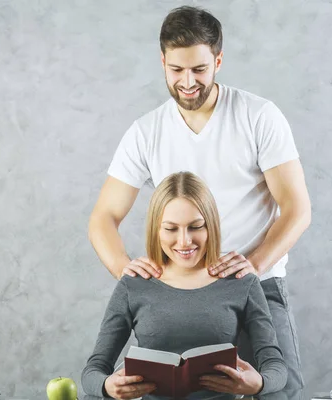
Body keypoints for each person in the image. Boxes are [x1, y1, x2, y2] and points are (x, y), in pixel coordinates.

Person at [88, 6, 311, 399]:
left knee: (282, 388)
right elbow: (103, 218)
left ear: (218, 61)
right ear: (163, 62)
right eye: (176, 70)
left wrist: (251, 267)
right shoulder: (146, 132)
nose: (188, 82)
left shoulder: (259, 116)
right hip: (180, 292)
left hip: (256, 284)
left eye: (199, 70)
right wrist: (129, 273)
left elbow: (296, 209)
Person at [82, 172, 287, 399]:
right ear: (156, 230)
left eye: (195, 226)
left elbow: (275, 366)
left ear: (210, 226)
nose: (184, 241)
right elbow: (93, 371)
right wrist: (107, 386)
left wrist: (259, 383)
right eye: (171, 229)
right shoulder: (133, 284)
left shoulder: (242, 282)